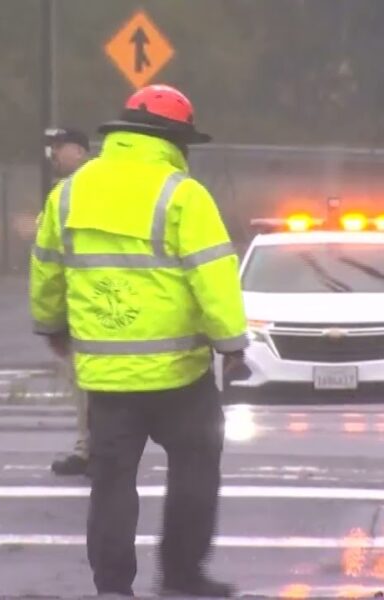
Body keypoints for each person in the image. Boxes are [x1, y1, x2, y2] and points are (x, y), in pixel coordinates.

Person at [31, 85, 249, 597]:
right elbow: (213, 277)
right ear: (174, 140)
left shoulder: (69, 193)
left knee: (110, 484)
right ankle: (181, 576)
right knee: (195, 473)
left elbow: (46, 272)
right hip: (180, 374)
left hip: (106, 378)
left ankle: (112, 587)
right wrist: (232, 345)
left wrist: (52, 328)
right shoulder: (182, 194)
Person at [43, 127, 92, 476]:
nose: (54, 155)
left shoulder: (66, 195)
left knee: (90, 382)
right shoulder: (64, 195)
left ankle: (92, 450)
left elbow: (48, 265)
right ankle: (93, 448)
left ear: (80, 151)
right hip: (97, 305)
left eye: (60, 148)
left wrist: (49, 320)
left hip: (85, 308)